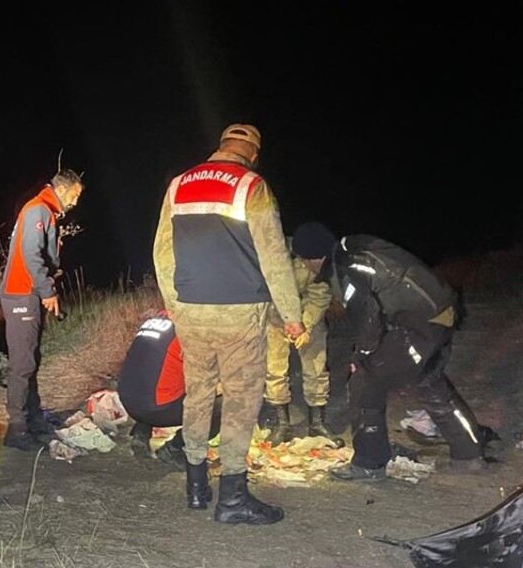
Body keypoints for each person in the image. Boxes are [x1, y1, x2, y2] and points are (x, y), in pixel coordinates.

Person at [152, 122, 305, 525]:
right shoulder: (251, 185)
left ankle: (196, 487)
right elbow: (273, 256)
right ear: (253, 153)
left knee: (198, 394)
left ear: (219, 147)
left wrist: (175, 305)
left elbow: (163, 255)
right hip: (239, 311)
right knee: (240, 400)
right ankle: (233, 498)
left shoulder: (179, 185)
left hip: (191, 310)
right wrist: (291, 316)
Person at [325, 233, 492, 482]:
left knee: (364, 379)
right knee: (428, 382)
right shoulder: (357, 247)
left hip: (421, 323)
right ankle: (469, 456)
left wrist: (363, 355)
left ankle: (369, 463)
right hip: (443, 312)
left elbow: (367, 317)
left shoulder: (347, 265)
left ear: (315, 258)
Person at [0, 166, 85, 451]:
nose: (75, 202)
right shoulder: (38, 210)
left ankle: (34, 419)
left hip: (28, 293)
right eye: (75, 194)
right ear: (62, 189)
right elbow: (30, 254)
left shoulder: (45, 210)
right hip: (21, 293)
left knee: (31, 359)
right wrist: (47, 291)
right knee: (22, 364)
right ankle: (17, 430)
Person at [257, 220, 340, 446]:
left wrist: (307, 325)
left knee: (316, 368)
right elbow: (266, 288)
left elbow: (320, 295)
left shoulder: (321, 259)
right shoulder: (277, 254)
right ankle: (280, 423)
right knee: (274, 369)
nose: (310, 264)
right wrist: (285, 319)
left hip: (307, 315)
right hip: (276, 317)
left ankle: (317, 423)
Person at [116, 308, 221, 468]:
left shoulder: (161, 315)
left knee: (156, 371)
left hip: (128, 400)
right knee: (224, 406)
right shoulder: (198, 330)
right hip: (156, 409)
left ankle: (141, 430)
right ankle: (173, 449)